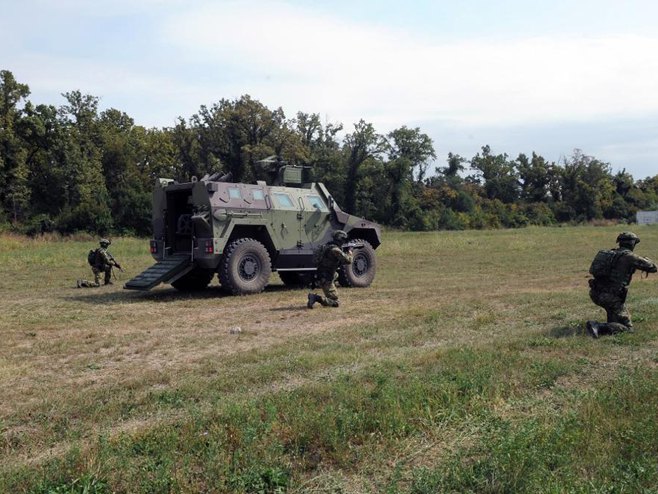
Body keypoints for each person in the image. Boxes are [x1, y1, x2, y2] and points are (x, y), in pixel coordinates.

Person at [586, 231, 656, 338]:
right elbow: (653, 267)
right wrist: (647, 259)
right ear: (632, 243)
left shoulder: (610, 254)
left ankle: (610, 323)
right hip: (610, 297)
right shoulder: (629, 257)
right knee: (627, 329)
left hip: (595, 293)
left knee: (614, 316)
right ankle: (598, 326)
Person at [307, 230, 353, 308]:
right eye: (343, 240)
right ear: (340, 239)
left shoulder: (328, 246)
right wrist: (350, 253)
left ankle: (327, 285)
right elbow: (348, 260)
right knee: (335, 302)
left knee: (336, 275)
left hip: (322, 274)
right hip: (325, 278)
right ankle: (316, 298)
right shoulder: (335, 250)